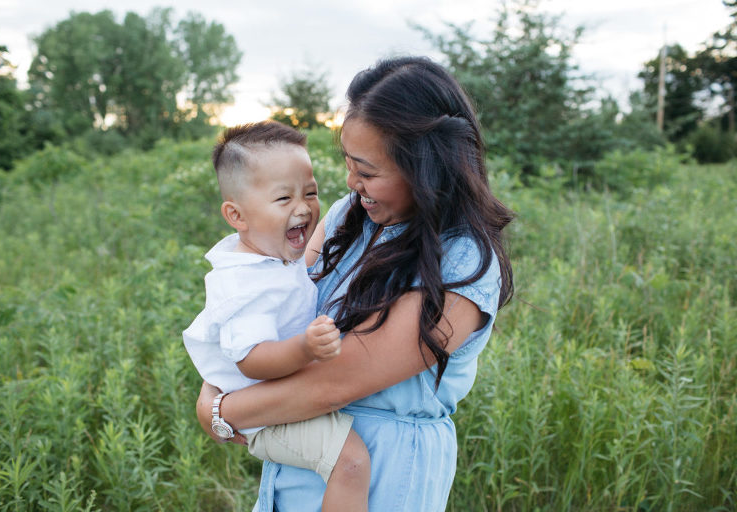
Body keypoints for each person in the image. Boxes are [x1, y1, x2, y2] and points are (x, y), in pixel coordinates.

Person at [196, 56, 514, 511]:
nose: (351, 183)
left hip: (383, 479)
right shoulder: (350, 214)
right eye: (348, 165)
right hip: (305, 465)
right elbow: (279, 300)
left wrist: (220, 410)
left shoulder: (464, 259)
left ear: (425, 168)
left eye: (367, 171)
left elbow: (337, 383)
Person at [183, 121, 370, 512]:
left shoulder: (273, 258)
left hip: (277, 402)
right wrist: (303, 348)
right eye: (283, 198)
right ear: (237, 215)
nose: (303, 207)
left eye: (311, 192)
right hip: (265, 417)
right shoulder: (246, 283)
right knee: (350, 462)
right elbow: (252, 360)